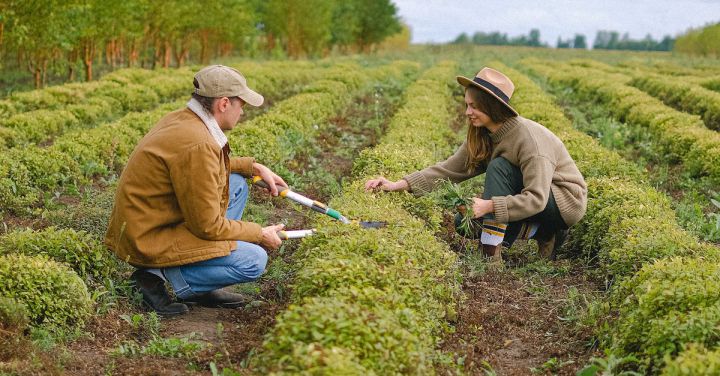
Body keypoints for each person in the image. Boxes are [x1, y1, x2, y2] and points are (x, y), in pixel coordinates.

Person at [105, 65, 287, 316]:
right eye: (241, 104)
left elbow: (201, 166)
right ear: (224, 103)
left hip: (151, 222)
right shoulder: (198, 143)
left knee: (235, 184)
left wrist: (252, 167)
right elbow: (208, 226)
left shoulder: (184, 120)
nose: (242, 111)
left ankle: (197, 278)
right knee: (254, 260)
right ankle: (155, 277)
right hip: (149, 238)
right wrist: (258, 233)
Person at [365, 67, 587, 263]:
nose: (467, 113)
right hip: (532, 199)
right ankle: (543, 233)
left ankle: (490, 254)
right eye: (466, 105)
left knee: (499, 167)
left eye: (474, 107)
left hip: (562, 201)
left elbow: (537, 198)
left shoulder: (529, 141)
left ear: (492, 107)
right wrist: (398, 185)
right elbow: (450, 169)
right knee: (464, 222)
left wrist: (489, 206)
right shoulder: (484, 134)